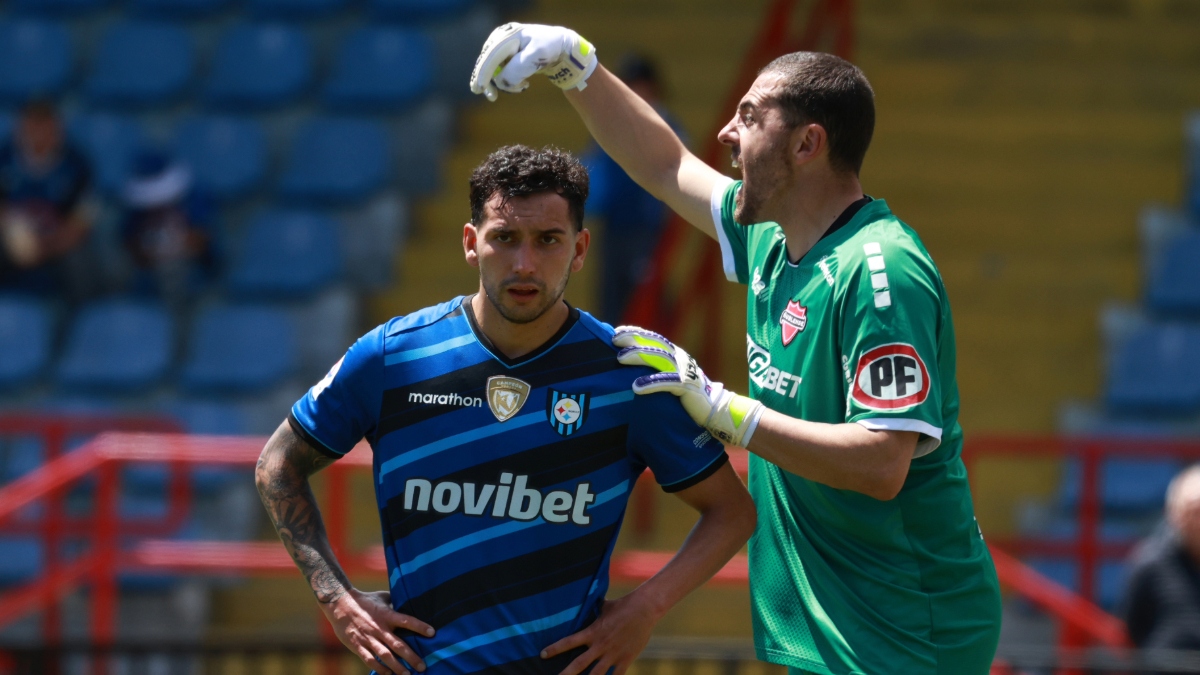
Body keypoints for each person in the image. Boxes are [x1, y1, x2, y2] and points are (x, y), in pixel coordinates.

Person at [470, 24, 1002, 675]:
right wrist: (575, 67)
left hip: (909, 625)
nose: (726, 132)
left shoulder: (880, 272)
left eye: (749, 117)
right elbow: (664, 164)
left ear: (806, 144)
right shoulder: (773, 240)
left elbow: (882, 463)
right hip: (833, 616)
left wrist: (724, 410)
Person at [255, 145, 756, 675]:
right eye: (505, 238)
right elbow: (276, 465)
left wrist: (646, 607)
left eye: (548, 240)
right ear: (471, 243)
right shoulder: (392, 356)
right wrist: (337, 599)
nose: (524, 264)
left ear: (580, 248)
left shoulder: (629, 375)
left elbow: (733, 512)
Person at [581, 54, 685, 323]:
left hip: (649, 232)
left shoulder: (667, 127)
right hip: (614, 229)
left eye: (640, 85)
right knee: (612, 308)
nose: (635, 92)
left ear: (653, 88)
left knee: (650, 304)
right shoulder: (611, 123)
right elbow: (596, 174)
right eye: (629, 85)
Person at [0, 100, 95, 298]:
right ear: (20, 130)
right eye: (32, 128)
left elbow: (81, 222)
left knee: (80, 259)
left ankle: (82, 314)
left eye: (45, 128)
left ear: (58, 130)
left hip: (57, 239)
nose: (39, 135)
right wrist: (12, 232)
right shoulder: (4, 158)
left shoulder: (78, 165)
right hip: (13, 236)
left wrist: (44, 246)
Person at [119, 149, 219, 307]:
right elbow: (129, 242)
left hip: (190, 268)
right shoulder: (136, 212)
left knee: (172, 270)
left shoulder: (195, 199)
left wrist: (176, 247)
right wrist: (147, 253)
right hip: (148, 268)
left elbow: (203, 242)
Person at [1121, 465, 1200, 653]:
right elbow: (1133, 626)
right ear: (1173, 512)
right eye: (1193, 511)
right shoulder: (1150, 562)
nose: (1197, 521)